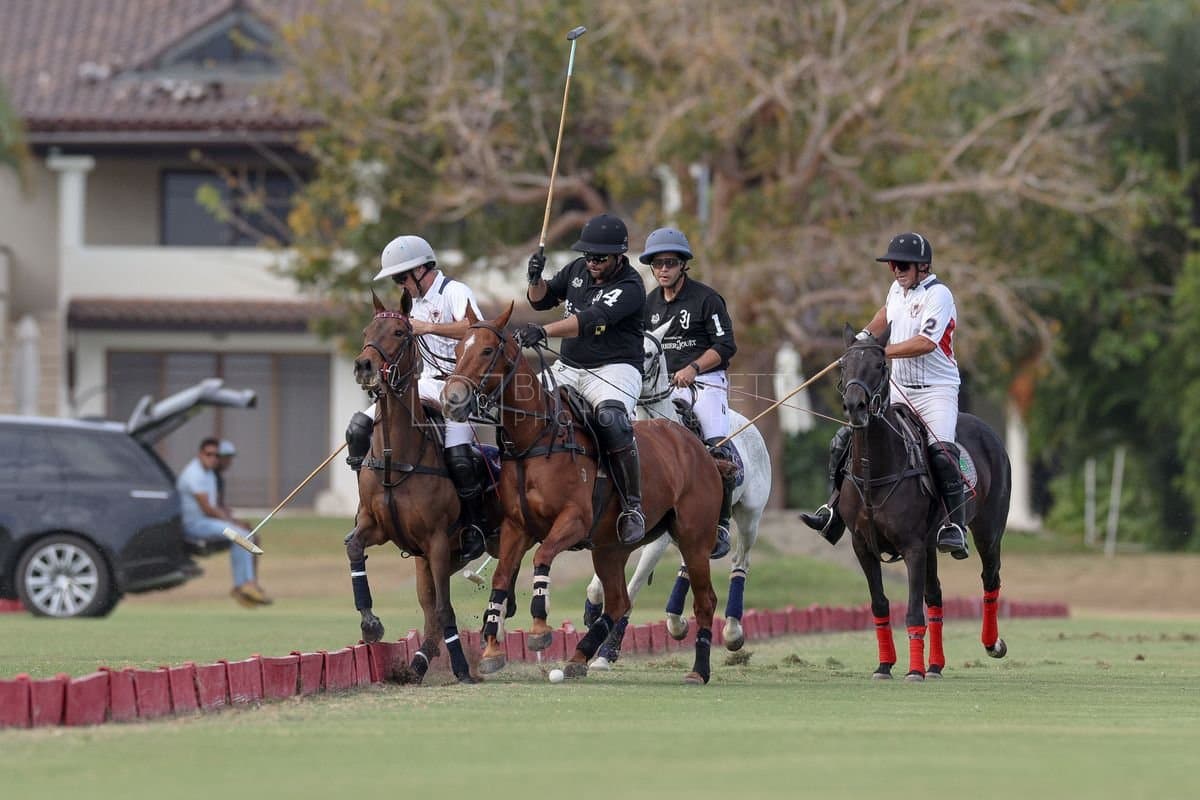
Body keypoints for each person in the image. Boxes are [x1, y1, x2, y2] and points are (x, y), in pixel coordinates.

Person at [799, 232, 970, 560]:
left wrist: (879, 352)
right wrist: (862, 342)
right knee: (845, 439)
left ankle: (955, 526)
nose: (896, 270)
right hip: (899, 390)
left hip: (936, 391)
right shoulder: (897, 291)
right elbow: (884, 316)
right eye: (892, 264)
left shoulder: (940, 295)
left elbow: (926, 342)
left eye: (902, 264)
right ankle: (834, 510)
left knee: (942, 453)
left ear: (922, 266)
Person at [348, 234, 488, 560]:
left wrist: (429, 327)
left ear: (422, 269)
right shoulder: (413, 301)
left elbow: (475, 329)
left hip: (460, 384)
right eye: (396, 279)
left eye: (401, 277)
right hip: (424, 383)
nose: (399, 284)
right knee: (358, 428)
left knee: (457, 455)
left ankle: (475, 525)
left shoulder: (454, 291)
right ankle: (366, 512)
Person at [517, 213, 648, 545]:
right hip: (571, 365)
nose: (592, 262)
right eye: (588, 254)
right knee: (526, 410)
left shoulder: (631, 286)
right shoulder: (578, 270)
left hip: (615, 369)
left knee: (611, 420)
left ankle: (632, 506)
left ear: (619, 255)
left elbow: (590, 320)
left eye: (599, 257)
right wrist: (535, 278)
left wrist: (543, 330)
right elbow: (542, 298)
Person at [641, 227, 736, 559]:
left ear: (683, 264)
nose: (663, 269)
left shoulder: (707, 299)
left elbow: (726, 345)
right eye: (656, 264)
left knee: (718, 448)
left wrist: (693, 368)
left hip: (705, 382)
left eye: (669, 262)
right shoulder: (647, 304)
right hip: (658, 387)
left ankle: (721, 525)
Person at [177, 437, 271, 608]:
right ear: (200, 454)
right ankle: (246, 585)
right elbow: (208, 509)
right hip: (194, 525)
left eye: (216, 455)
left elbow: (216, 506)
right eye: (209, 454)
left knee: (242, 538)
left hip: (207, 523)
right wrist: (234, 523)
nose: (213, 458)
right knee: (240, 536)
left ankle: (244, 586)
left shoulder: (210, 473)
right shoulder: (194, 474)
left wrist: (235, 522)